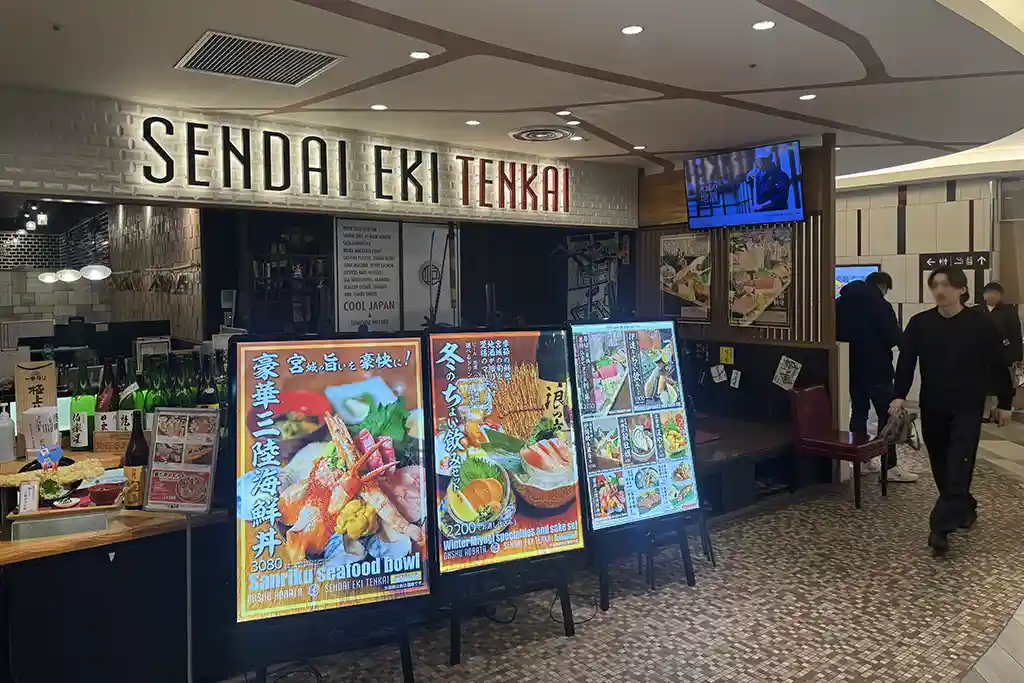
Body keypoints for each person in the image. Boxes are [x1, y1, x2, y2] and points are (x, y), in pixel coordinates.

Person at [889, 266, 1014, 556]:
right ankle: (965, 506)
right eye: (934, 285)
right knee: (942, 465)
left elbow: (997, 364)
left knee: (960, 460)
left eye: (946, 285)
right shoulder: (920, 323)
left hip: (968, 406)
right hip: (933, 404)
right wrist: (899, 395)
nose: (939, 291)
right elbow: (907, 361)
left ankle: (939, 529)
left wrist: (1005, 403)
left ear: (962, 290)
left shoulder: (980, 324)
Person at [836, 271, 917, 482]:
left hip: (851, 369)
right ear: (882, 287)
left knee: (859, 413)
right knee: (887, 416)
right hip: (878, 369)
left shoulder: (839, 304)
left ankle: (861, 462)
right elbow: (893, 337)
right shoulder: (880, 305)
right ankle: (889, 467)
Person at [980, 282, 1023, 364]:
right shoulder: (975, 310)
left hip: (1002, 353)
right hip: (980, 353)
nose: (992, 295)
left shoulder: (1009, 311)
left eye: (995, 293)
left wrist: (1017, 357)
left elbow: (1016, 334)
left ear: (1000, 295)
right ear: (984, 295)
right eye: (989, 292)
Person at [747, 147, 792, 212]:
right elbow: (753, 188)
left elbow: (779, 198)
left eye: (763, 160)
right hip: (761, 214)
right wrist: (748, 177)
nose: (760, 165)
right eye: (758, 161)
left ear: (769, 159)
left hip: (777, 215)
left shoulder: (780, 175)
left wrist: (761, 206)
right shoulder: (758, 174)